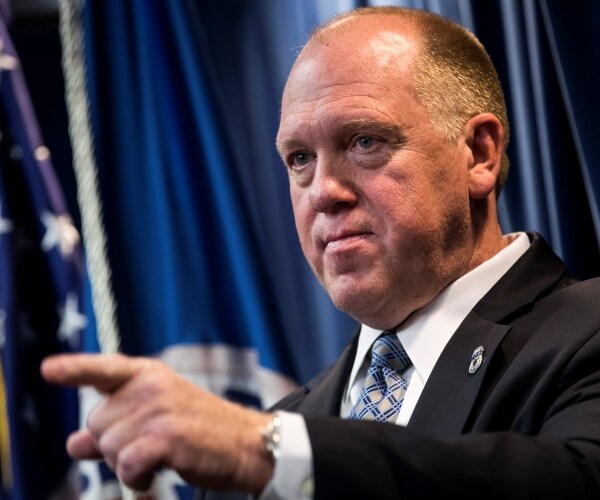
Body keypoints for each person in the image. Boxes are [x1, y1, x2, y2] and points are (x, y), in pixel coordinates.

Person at [42, 6, 600, 499]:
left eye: (364, 141)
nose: (323, 192)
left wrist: (269, 454)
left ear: (478, 154)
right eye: (300, 159)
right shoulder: (280, 430)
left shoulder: (584, 332)